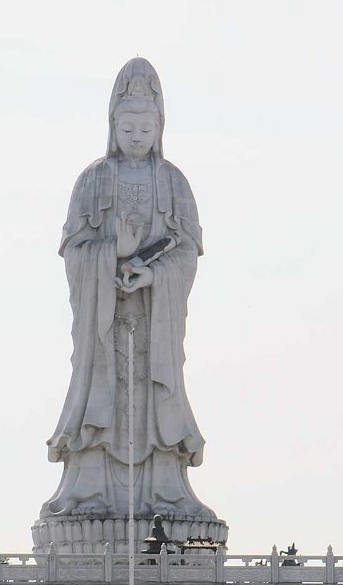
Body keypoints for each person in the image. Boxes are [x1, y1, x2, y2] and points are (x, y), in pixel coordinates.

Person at [41, 57, 216, 523]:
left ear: (159, 125)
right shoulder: (92, 180)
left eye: (145, 128)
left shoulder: (173, 182)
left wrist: (154, 275)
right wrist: (111, 254)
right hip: (106, 326)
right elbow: (73, 251)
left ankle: (165, 489)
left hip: (154, 322)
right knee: (102, 395)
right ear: (113, 124)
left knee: (157, 397)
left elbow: (188, 252)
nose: (137, 138)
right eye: (128, 128)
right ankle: (89, 487)